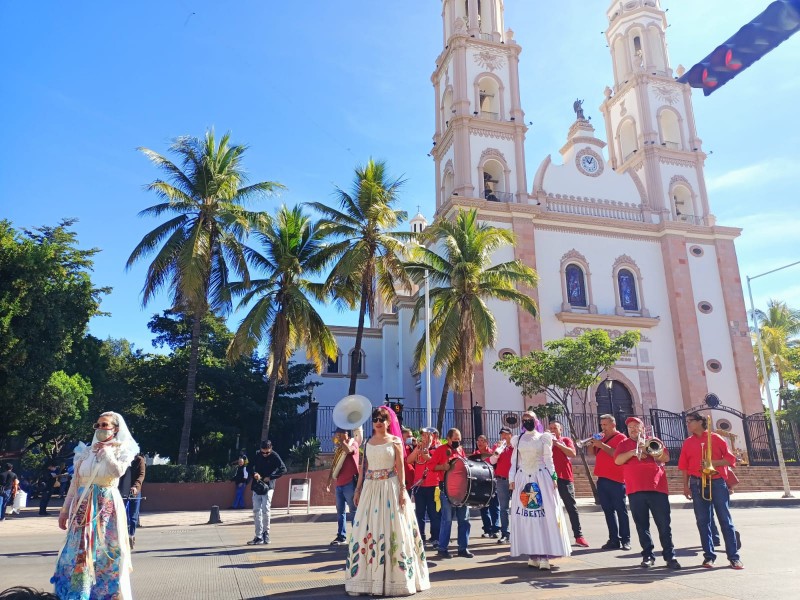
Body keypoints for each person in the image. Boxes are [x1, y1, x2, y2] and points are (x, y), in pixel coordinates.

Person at [52, 411, 139, 599]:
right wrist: (65, 510)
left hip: (106, 507)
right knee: (79, 550)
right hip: (82, 507)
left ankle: (104, 594)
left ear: (115, 429)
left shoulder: (121, 450)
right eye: (98, 425)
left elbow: (118, 472)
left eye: (105, 425)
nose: (100, 428)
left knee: (104, 551)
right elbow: (75, 482)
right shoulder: (85, 451)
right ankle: (77, 593)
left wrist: (107, 452)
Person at [344, 406, 430, 596]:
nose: (378, 422)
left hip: (390, 487)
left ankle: (395, 579)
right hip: (370, 488)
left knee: (394, 529)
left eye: (382, 419)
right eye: (375, 419)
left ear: (389, 422)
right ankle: (365, 580)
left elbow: (400, 466)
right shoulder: (368, 442)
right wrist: (358, 490)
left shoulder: (395, 441)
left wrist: (402, 490)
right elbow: (363, 468)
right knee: (367, 529)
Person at [678, 412, 743, 569]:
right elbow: (684, 467)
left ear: (700, 422)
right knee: (703, 521)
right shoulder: (688, 442)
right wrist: (685, 486)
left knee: (725, 520)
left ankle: (734, 557)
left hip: (717, 482)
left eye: (690, 421)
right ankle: (709, 556)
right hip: (696, 482)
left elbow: (730, 459)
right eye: (687, 422)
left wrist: (712, 462)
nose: (688, 424)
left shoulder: (716, 438)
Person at [614, 417, 681, 570]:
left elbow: (665, 457)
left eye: (636, 426)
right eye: (630, 427)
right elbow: (617, 461)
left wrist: (647, 448)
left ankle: (670, 556)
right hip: (635, 489)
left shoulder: (653, 440)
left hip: (657, 488)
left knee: (664, 525)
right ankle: (648, 556)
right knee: (642, 525)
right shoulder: (623, 444)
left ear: (643, 428)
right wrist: (632, 452)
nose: (633, 429)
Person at [509, 412, 571, 570]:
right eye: (524, 419)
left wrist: (554, 477)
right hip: (523, 479)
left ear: (535, 420)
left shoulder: (544, 437)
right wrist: (512, 480)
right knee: (528, 517)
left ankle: (545, 554)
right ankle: (533, 554)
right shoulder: (518, 439)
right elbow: (514, 462)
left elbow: (549, 460)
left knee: (543, 516)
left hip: (541, 478)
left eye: (530, 419)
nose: (527, 421)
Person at [591, 414, 631, 550]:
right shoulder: (602, 438)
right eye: (601, 425)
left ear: (613, 425)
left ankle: (626, 539)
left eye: (605, 425)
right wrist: (593, 443)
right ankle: (613, 539)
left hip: (617, 479)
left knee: (621, 510)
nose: (603, 427)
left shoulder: (622, 438)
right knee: (608, 511)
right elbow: (592, 453)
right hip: (602, 479)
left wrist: (601, 445)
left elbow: (617, 454)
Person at [433, 428, 472, 559]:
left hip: (461, 489)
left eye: (459, 440)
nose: (457, 442)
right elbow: (431, 466)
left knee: (464, 520)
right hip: (446, 489)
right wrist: (443, 467)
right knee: (447, 520)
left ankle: (463, 548)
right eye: (455, 439)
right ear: (448, 439)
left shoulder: (460, 450)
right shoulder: (440, 450)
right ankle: (442, 548)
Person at [548, 421, 589, 547]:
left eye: (555, 428)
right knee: (550, 509)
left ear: (561, 430)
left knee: (571, 507)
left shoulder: (566, 440)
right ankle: (552, 537)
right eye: (551, 428)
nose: (553, 430)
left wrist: (558, 444)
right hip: (549, 478)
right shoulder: (546, 442)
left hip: (565, 477)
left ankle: (579, 536)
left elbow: (572, 453)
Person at [407, 427, 441, 549]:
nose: (425, 438)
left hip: (433, 485)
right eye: (423, 435)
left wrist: (427, 456)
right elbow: (409, 460)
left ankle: (435, 537)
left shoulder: (437, 449)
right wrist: (417, 450)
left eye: (428, 435)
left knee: (434, 514)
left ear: (434, 437)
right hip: (419, 486)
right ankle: (420, 536)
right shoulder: (419, 448)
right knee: (419, 513)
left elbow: (437, 464)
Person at [247, 440, 286, 545]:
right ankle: (258, 536)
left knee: (265, 509)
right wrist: (254, 473)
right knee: (256, 510)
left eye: (267, 452)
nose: (265, 454)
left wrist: (271, 477)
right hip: (257, 486)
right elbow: (249, 467)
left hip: (268, 487)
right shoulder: (257, 455)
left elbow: (283, 469)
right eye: (263, 452)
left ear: (271, 449)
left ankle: (266, 533)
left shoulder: (274, 456)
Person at [326, 427, 359, 545]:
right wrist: (329, 480)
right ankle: (341, 536)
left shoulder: (353, 443)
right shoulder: (339, 448)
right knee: (340, 512)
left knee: (353, 511)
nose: (337, 436)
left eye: (338, 434)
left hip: (349, 483)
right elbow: (334, 464)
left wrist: (342, 442)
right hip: (339, 484)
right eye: (336, 434)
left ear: (345, 434)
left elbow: (350, 451)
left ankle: (357, 536)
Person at [470, 435, 500, 538]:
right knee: (483, 506)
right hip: (480, 483)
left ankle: (496, 529)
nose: (480, 443)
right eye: (478, 441)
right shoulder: (475, 455)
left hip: (491, 482)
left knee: (494, 506)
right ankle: (487, 529)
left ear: (487, 443)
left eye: (482, 441)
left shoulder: (492, 453)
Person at [488, 426, 513, 543]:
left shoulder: (515, 447)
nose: (503, 436)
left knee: (519, 507)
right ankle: (505, 533)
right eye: (502, 434)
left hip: (515, 480)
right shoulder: (497, 447)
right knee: (504, 508)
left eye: (505, 434)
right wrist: (497, 451)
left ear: (510, 435)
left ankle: (518, 533)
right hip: (501, 480)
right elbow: (492, 461)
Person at [119, 452, 145, 549]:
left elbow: (141, 475)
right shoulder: (121, 459)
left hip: (134, 491)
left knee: (133, 517)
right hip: (122, 490)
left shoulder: (139, 460)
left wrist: (135, 487)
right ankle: (123, 537)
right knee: (123, 516)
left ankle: (131, 535)